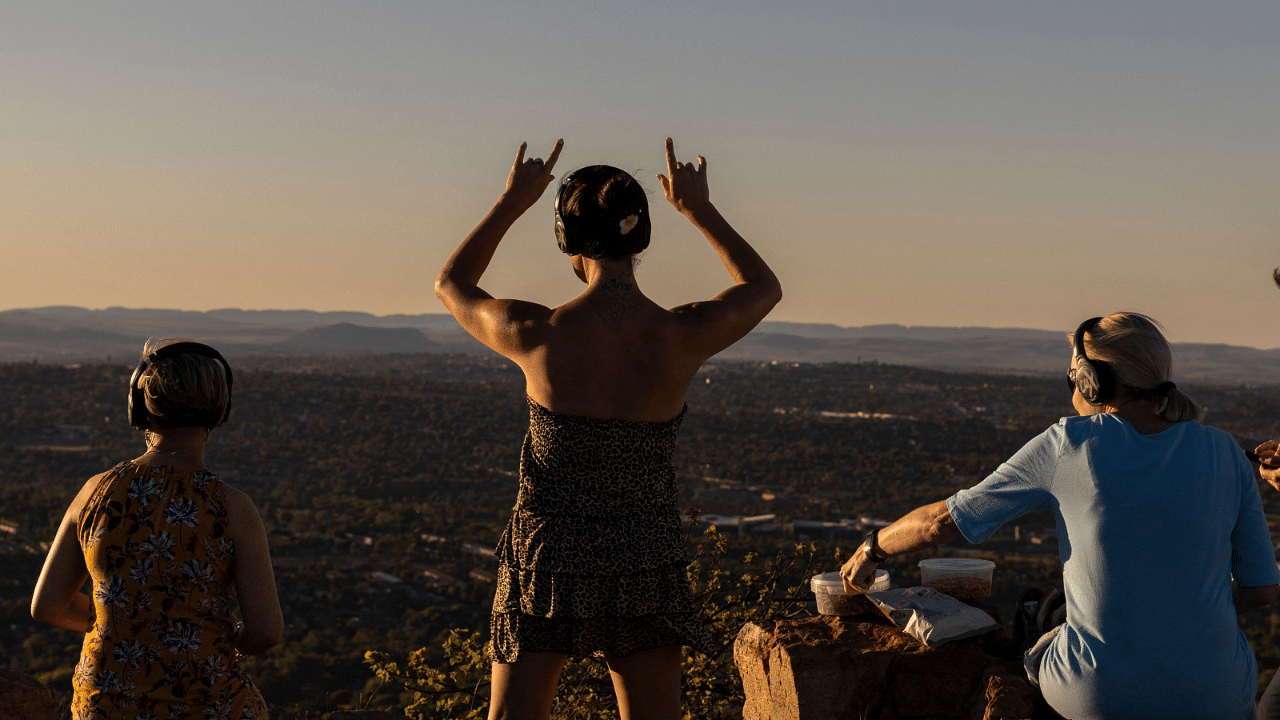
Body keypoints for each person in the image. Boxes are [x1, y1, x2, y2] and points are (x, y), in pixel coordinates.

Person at [435, 137, 782, 720]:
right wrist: (698, 208)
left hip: (549, 553)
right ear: (639, 238)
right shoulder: (682, 335)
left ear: (566, 240)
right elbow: (763, 289)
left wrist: (512, 201)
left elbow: (452, 285)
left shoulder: (533, 332)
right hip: (643, 550)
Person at [839, 312, 1278, 720]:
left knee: (1049, 626)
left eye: (1072, 376)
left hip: (1101, 693)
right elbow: (1261, 591)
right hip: (1216, 693)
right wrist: (1183, 604)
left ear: (1092, 382)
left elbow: (942, 523)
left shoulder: (1067, 444)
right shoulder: (1224, 450)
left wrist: (872, 547)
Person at [31, 338, 283, 720]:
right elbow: (265, 632)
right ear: (220, 412)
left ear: (138, 408)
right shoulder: (233, 508)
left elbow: (47, 606)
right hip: (202, 703)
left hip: (102, 705)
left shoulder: (95, 493)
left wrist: (125, 622)